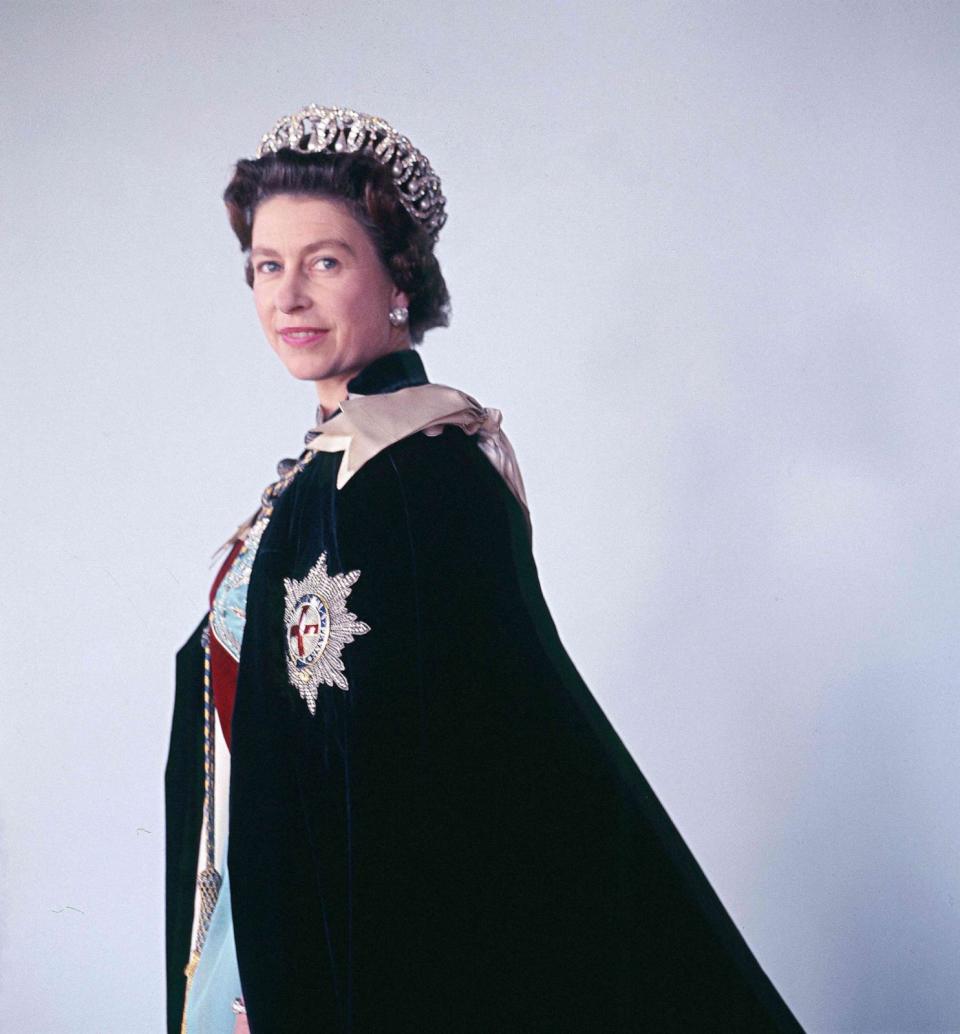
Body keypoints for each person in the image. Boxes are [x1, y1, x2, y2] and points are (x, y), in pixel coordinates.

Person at [165, 105, 803, 1034]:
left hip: (354, 955)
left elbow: (452, 776)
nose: (288, 296)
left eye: (325, 262)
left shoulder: (423, 472)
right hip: (274, 926)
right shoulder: (323, 470)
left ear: (399, 282)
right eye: (268, 266)